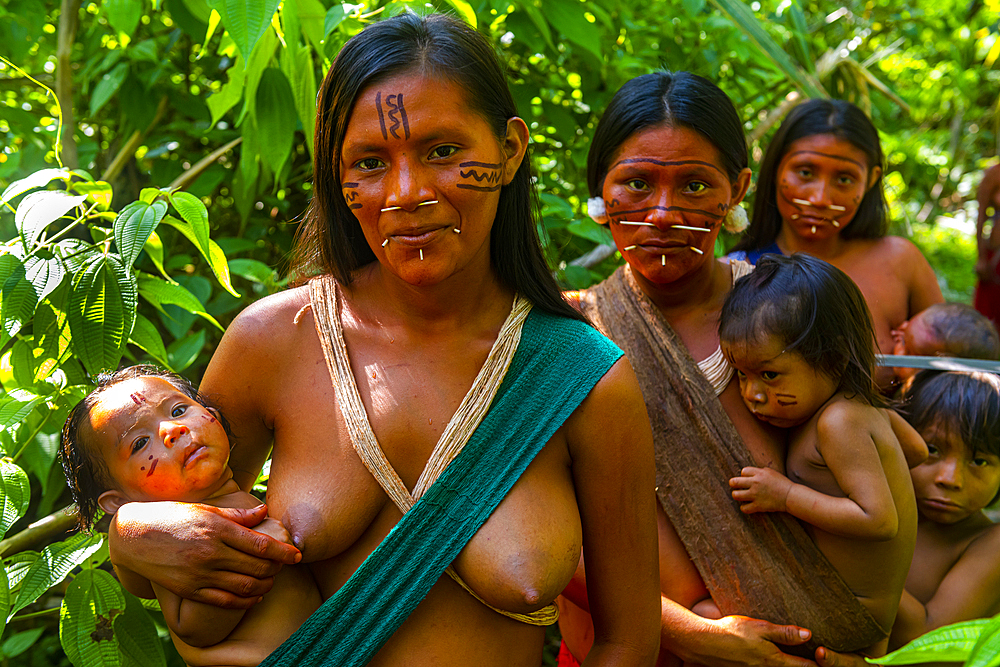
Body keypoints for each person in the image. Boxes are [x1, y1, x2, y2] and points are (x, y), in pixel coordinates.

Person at [104, 13, 661, 667]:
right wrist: (129, 537)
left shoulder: (585, 383)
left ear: (511, 149)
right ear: (337, 178)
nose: (406, 193)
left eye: (443, 151)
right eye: (369, 162)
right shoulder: (273, 341)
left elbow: (628, 641)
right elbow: (173, 528)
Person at [563, 71, 883, 667]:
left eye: (693, 186)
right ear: (601, 195)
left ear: (735, 191)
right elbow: (543, 531)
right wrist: (692, 634)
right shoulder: (567, 334)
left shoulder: (794, 313)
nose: (662, 214)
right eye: (635, 184)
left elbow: (877, 462)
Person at [718, 253, 917, 656]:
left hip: (849, 613)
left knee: (707, 614)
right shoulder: (863, 407)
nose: (753, 393)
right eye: (741, 374)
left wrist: (787, 496)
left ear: (834, 357)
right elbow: (914, 449)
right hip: (870, 611)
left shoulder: (838, 423)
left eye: (769, 375)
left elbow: (878, 520)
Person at [59, 365, 322, 667]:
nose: (173, 431)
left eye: (178, 410)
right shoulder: (172, 539)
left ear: (215, 416)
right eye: (140, 443)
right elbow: (191, 628)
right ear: (120, 501)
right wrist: (256, 563)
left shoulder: (240, 498)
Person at [729, 99, 943, 390]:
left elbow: (949, 372)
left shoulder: (900, 261)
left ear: (871, 180)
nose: (820, 198)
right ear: (776, 167)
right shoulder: (737, 272)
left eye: (844, 179)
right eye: (805, 172)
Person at [888, 370, 1000, 650]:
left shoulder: (990, 542)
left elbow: (928, 642)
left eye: (979, 461)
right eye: (932, 449)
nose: (950, 479)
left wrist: (845, 558)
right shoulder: (880, 502)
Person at [890, 302, 1000, 384]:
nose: (898, 345)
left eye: (908, 352)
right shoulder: (919, 336)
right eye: (903, 331)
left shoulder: (928, 405)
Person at [974, 163, 1000, 326]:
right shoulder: (994, 174)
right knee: (987, 317)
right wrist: (982, 258)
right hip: (995, 258)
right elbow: (981, 218)